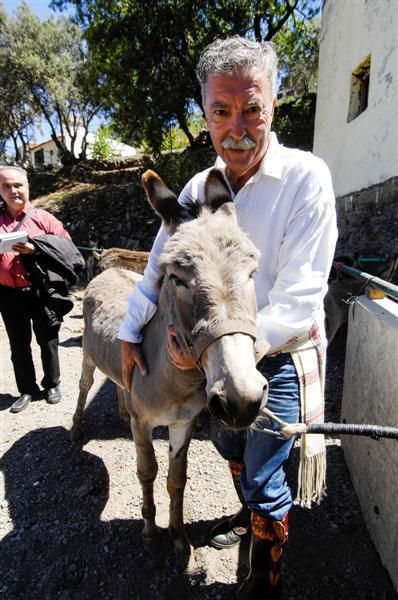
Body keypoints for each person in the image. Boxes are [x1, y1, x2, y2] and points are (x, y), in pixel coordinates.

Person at [118, 37, 338, 599]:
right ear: (206, 114)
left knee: (264, 468)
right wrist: (128, 331)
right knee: (231, 447)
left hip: (278, 352)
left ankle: (264, 579)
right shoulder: (196, 188)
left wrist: (233, 348)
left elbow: (300, 294)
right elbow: (157, 269)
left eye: (252, 108)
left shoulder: (305, 180)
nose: (236, 126)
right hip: (214, 354)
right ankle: (248, 521)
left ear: (274, 103)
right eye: (221, 110)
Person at [0, 166, 84, 414]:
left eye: (17, 185)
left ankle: (52, 385)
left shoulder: (44, 218)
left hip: (41, 291)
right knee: (18, 344)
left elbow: (66, 247)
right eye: (6, 186)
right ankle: (27, 389)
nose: (13, 191)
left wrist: (36, 248)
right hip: (7, 293)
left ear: (27, 187)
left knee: (48, 340)